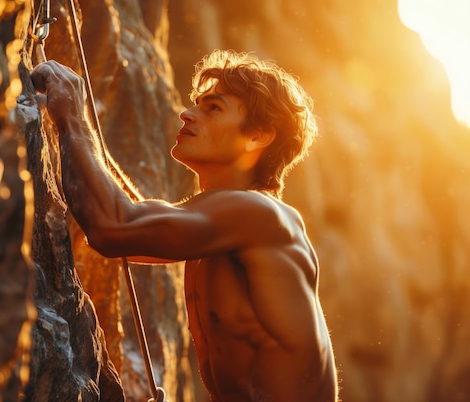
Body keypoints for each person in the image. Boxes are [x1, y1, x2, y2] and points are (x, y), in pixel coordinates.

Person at [31, 49, 339, 402]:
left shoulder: (259, 214)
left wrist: (72, 114)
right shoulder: (225, 226)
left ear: (257, 136)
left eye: (213, 108)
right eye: (197, 103)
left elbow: (112, 227)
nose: (187, 113)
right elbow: (109, 225)